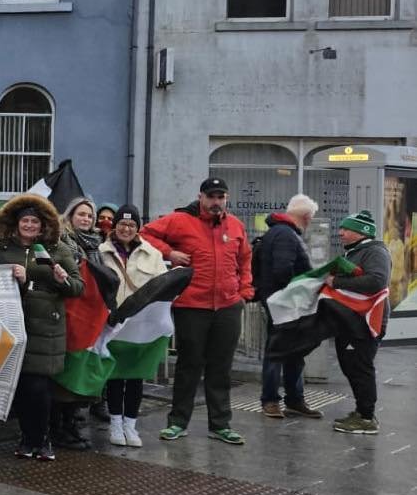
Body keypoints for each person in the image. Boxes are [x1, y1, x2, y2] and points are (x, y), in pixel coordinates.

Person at [142, 177, 251, 445]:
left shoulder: (235, 225)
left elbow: (245, 258)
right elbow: (145, 234)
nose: (216, 202)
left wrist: (244, 292)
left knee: (221, 367)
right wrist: (170, 253)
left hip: (227, 306)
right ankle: (178, 422)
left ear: (226, 199)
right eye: (211, 197)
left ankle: (221, 424)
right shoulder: (180, 220)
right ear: (201, 197)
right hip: (192, 305)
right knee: (189, 365)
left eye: (221, 197)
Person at [0, 194, 83, 460]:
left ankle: (42, 439)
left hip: (47, 327)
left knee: (40, 387)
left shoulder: (57, 249)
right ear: (16, 223)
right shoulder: (2, 249)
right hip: (13, 322)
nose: (30, 225)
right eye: (25, 221)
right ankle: (26, 438)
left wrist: (60, 279)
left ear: (44, 225)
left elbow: (77, 288)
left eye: (35, 221)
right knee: (21, 386)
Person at [97, 204, 168, 447]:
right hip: (113, 323)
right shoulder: (101, 252)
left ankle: (131, 425)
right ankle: (115, 425)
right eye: (122, 224)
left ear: (138, 228)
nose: (126, 228)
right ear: (114, 226)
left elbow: (162, 287)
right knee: (115, 377)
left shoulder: (153, 254)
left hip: (142, 325)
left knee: (136, 377)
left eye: (131, 225)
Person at [253, 195, 322, 420]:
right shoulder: (285, 234)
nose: (310, 222)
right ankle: (272, 400)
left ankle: (294, 399)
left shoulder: (278, 231)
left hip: (280, 302)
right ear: (306, 217)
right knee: (278, 351)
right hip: (284, 305)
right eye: (311, 218)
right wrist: (302, 289)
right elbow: (283, 271)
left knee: (293, 351)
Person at [332, 209, 391, 434]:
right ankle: (361, 410)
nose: (341, 233)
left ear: (360, 232)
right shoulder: (355, 252)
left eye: (346, 229)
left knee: (360, 368)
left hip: (365, 322)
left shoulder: (375, 252)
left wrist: (336, 281)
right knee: (351, 366)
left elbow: (376, 281)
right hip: (350, 321)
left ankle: (366, 418)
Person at [55, 196, 102, 450]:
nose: (86, 219)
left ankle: (73, 423)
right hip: (68, 311)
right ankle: (60, 427)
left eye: (89, 215)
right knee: (65, 371)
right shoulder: (63, 241)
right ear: (70, 216)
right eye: (81, 214)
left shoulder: (96, 244)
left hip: (89, 314)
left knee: (80, 370)